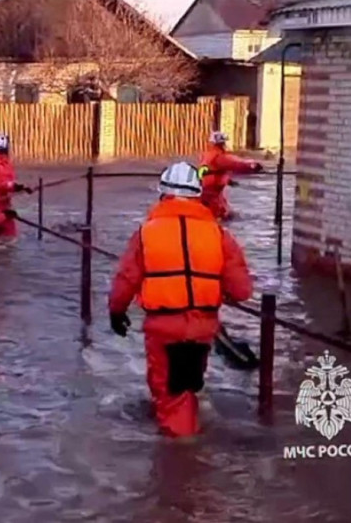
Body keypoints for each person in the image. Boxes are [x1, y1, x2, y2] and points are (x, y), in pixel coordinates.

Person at [107, 162, 253, 438]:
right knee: (186, 387)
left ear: (162, 194)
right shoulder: (219, 235)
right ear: (198, 195)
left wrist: (116, 312)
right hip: (202, 328)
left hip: (163, 329)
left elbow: (126, 279)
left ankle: (181, 466)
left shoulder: (145, 234)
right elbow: (242, 290)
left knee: (169, 395)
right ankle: (190, 443)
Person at [198, 131, 263, 220]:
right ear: (222, 143)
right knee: (222, 214)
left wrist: (228, 181)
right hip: (213, 194)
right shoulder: (220, 157)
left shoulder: (207, 155)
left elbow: (212, 172)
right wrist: (253, 166)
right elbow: (237, 164)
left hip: (207, 191)